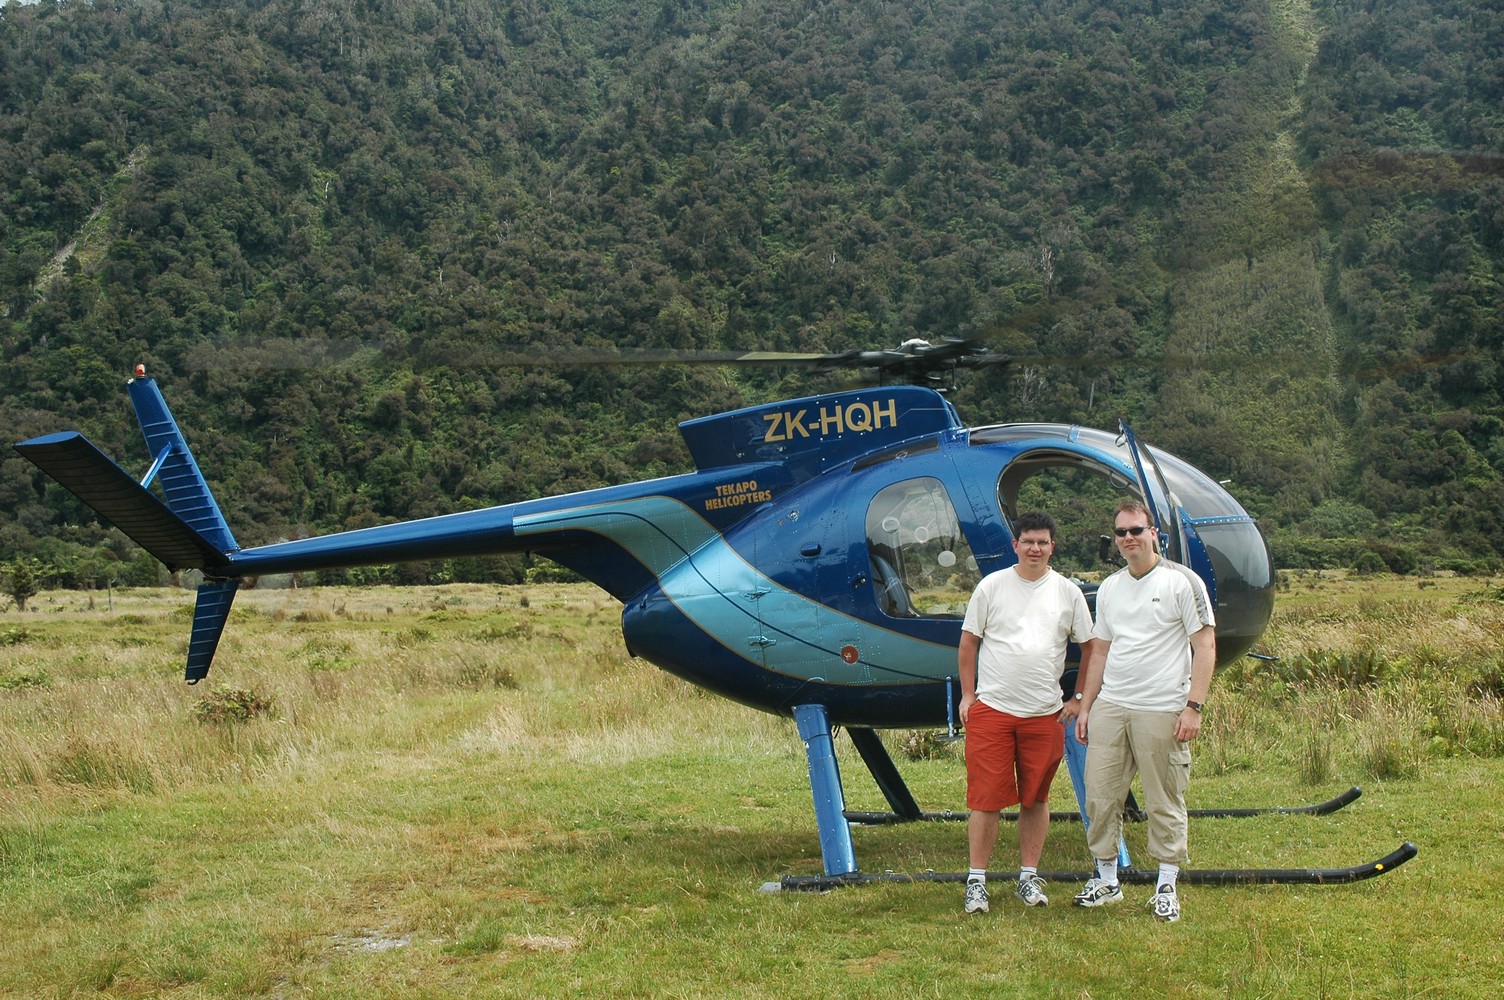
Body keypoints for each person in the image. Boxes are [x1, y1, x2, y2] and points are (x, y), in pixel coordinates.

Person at [1072, 498, 1216, 923]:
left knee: (1163, 798)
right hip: (1112, 706)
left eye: (1137, 530)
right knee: (1099, 796)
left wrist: (1194, 707)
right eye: (1121, 532)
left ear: (1154, 534)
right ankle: (1106, 879)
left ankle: (1166, 885)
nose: (1129, 538)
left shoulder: (1182, 583)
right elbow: (1099, 650)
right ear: (1114, 540)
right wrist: (1085, 704)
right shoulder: (1112, 587)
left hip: (1162, 707)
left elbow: (1204, 645)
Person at [958, 510, 1096, 914]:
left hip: (1045, 714)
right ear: (1015, 545)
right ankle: (977, 881)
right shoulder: (992, 587)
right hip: (993, 709)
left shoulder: (1067, 592)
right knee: (985, 798)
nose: (1035, 548)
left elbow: (1090, 647)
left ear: (1052, 547)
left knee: (1036, 797)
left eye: (1043, 542)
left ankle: (1028, 875)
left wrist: (1079, 698)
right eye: (1028, 541)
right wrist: (969, 696)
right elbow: (968, 644)